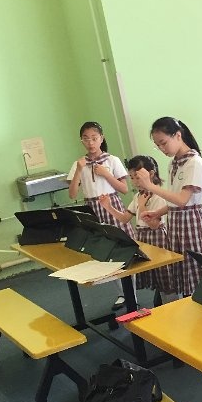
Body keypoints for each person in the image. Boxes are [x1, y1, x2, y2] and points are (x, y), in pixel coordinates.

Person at [136, 117, 202, 298]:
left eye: (164, 143)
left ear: (178, 135)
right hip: (176, 221)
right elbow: (174, 199)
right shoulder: (174, 162)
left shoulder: (194, 162)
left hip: (191, 222)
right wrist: (158, 212)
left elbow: (182, 200)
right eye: (158, 146)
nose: (162, 149)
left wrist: (150, 186)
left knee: (195, 270)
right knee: (181, 267)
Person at [67, 120, 132, 308]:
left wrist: (105, 173)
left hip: (111, 204)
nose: (90, 143)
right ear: (81, 141)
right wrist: (79, 170)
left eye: (94, 138)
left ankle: (131, 292)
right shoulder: (79, 164)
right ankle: (121, 293)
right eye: (86, 139)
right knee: (104, 251)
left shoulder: (112, 160)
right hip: (92, 209)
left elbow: (124, 189)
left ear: (101, 139)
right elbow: (72, 194)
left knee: (123, 248)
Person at [98, 155, 171, 296]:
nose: (135, 182)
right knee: (154, 276)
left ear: (150, 174)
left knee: (164, 275)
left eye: (138, 177)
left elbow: (154, 225)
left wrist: (142, 206)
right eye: (132, 177)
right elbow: (125, 218)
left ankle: (171, 303)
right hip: (143, 237)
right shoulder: (138, 196)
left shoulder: (158, 196)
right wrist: (108, 207)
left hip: (157, 238)